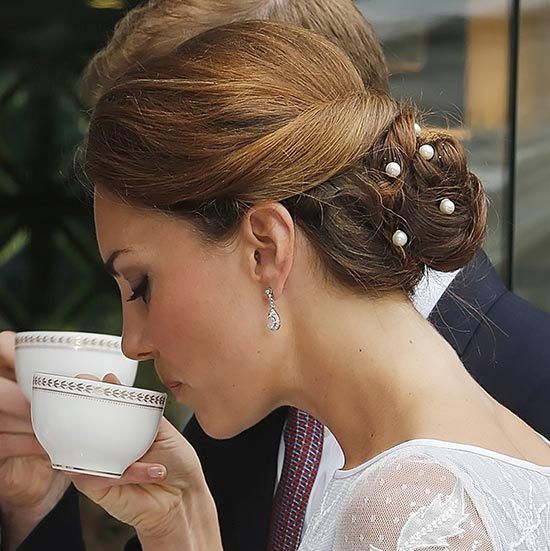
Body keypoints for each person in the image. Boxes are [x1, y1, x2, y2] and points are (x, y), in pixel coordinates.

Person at [1, 2, 550, 550]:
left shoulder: (406, 511)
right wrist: (182, 528)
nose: (133, 342)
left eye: (140, 285)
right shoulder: (484, 453)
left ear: (265, 248)